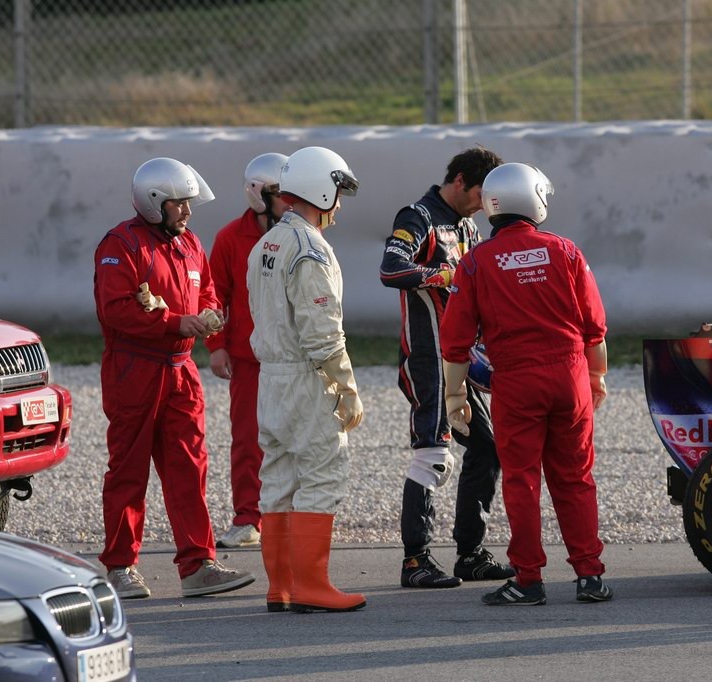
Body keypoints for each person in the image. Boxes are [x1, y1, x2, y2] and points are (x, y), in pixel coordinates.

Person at [439, 162, 613, 606]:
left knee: (521, 480)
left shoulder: (477, 262)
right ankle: (590, 576)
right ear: (533, 200)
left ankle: (529, 579)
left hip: (516, 382)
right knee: (576, 478)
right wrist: (596, 376)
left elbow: (456, 340)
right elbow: (594, 325)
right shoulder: (566, 250)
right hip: (570, 374)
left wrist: (455, 395)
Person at [93, 157, 255, 599]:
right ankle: (121, 568)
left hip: (181, 370)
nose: (186, 211)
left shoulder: (190, 245)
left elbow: (206, 292)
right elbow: (116, 310)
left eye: (188, 203)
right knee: (128, 470)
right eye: (179, 204)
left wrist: (210, 316)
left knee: (190, 469)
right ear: (153, 203)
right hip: (134, 368)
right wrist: (175, 323)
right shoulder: (121, 246)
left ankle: (198, 565)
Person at [380, 147, 515, 588]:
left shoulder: (470, 226)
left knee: (488, 447)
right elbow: (390, 269)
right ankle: (415, 561)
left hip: (461, 360)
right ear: (459, 181)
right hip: (426, 358)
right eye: (479, 193)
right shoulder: (417, 215)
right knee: (434, 455)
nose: (484, 204)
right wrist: (442, 275)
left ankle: (470, 554)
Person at [247, 146, 366, 613]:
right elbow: (323, 332)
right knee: (322, 471)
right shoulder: (310, 249)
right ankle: (313, 587)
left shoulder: (266, 244)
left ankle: (282, 587)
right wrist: (347, 388)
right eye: (337, 194)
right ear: (321, 189)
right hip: (306, 377)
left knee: (278, 478)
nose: (338, 206)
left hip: (270, 380)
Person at [206, 153, 289, 549]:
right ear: (260, 194)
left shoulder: (301, 234)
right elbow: (212, 296)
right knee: (247, 440)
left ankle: (294, 515)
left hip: (294, 358)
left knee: (298, 437)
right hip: (248, 359)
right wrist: (216, 346)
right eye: (281, 193)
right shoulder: (228, 238)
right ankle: (247, 517)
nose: (290, 201)